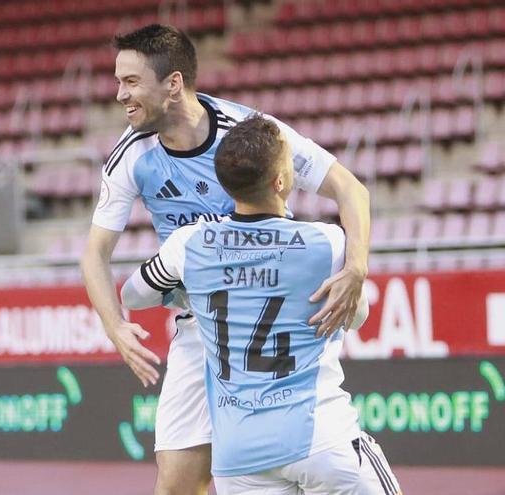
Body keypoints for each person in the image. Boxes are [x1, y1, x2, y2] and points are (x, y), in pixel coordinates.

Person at [80, 24, 371, 494]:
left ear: (173, 83)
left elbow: (349, 189)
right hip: (200, 327)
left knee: (298, 464)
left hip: (274, 321)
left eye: (131, 82)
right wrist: (114, 325)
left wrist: (356, 267)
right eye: (118, 82)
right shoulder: (132, 156)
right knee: (177, 485)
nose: (119, 95)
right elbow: (95, 253)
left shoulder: (252, 133)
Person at [120, 114, 400, 494]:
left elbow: (133, 295)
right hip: (319, 438)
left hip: (239, 459)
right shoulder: (326, 243)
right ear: (281, 181)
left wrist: (190, 293)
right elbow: (357, 317)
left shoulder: (189, 244)